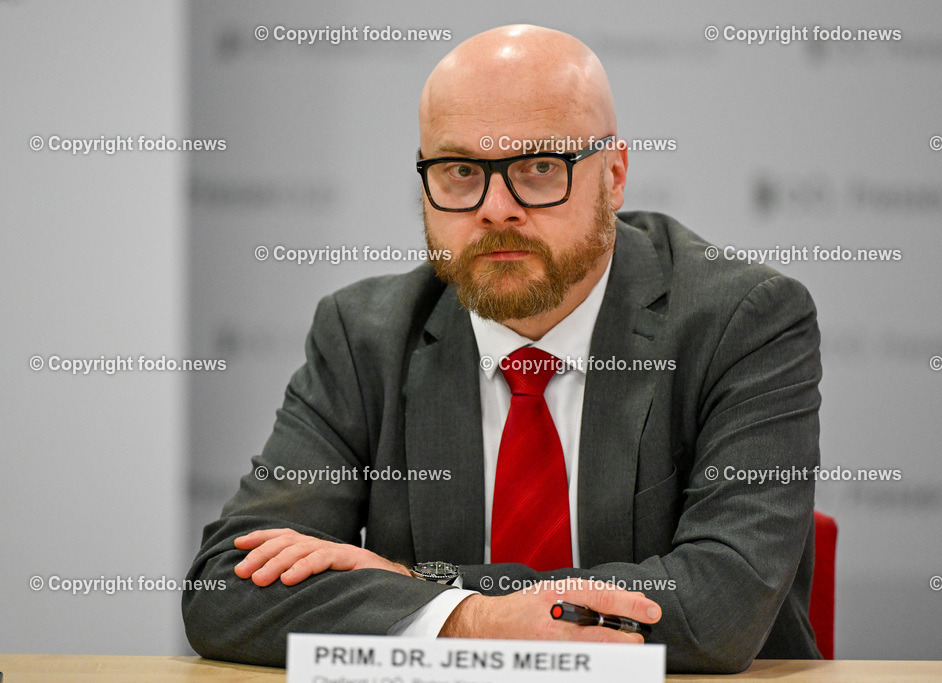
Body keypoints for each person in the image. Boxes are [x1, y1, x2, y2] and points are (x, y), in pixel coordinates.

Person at [182, 24, 822, 674]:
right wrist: (473, 619)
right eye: (460, 171)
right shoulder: (364, 335)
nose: (495, 208)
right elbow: (225, 589)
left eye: (540, 167)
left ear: (617, 175)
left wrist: (422, 585)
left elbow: (720, 608)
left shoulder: (743, 322)